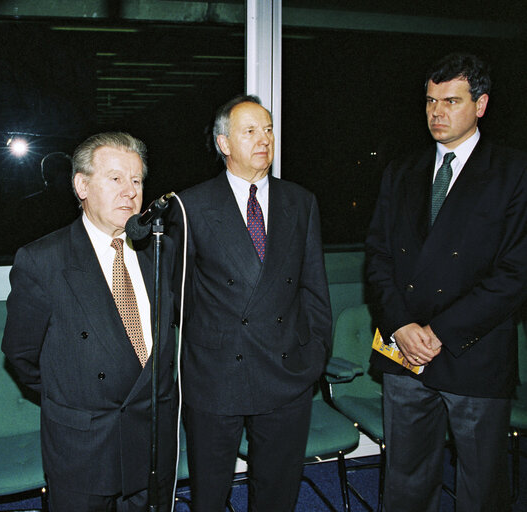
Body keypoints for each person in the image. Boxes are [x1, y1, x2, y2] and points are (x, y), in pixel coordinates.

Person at [365, 52, 527, 512]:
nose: (437, 112)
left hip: (473, 352)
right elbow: (376, 258)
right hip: (404, 351)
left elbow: (515, 272)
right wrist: (399, 326)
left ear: (481, 105)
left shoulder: (514, 173)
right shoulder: (402, 171)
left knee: (481, 487)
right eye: (431, 101)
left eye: (451, 101)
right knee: (405, 481)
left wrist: (439, 333)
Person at [1, 132, 178, 512]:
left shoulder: (161, 251)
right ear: (82, 185)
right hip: (84, 445)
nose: (129, 192)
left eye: (136, 180)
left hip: (152, 442)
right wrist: (75, 397)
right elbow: (21, 355)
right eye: (115, 178)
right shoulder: (43, 261)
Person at [174, 95, 332, 511]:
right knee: (209, 493)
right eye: (250, 131)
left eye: (268, 129)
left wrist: (314, 355)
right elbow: (176, 296)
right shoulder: (189, 206)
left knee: (278, 492)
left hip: (286, 372)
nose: (264, 139)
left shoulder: (301, 201)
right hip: (216, 375)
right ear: (224, 143)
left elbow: (314, 289)